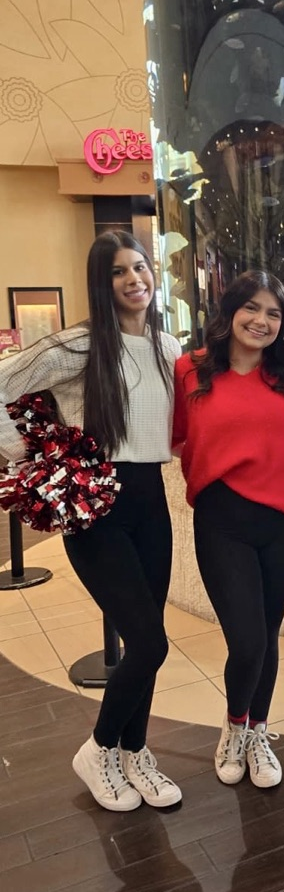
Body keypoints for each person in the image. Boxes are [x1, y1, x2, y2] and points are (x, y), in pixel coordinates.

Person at [0, 231, 182, 812]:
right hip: (95, 505)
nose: (135, 281)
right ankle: (99, 748)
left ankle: (135, 752)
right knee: (151, 643)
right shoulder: (77, 345)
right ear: (100, 283)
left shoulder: (168, 346)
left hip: (151, 499)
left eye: (141, 268)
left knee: (143, 640)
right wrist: (25, 457)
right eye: (119, 272)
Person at [172, 271, 284, 790]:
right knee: (247, 639)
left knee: (267, 637)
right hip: (221, 520)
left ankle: (258, 731)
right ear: (230, 312)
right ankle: (233, 728)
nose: (261, 320)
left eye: (274, 313)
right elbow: (177, 436)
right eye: (252, 308)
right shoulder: (191, 369)